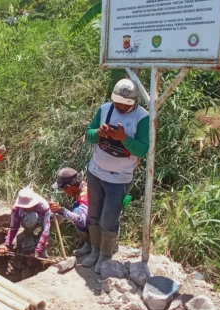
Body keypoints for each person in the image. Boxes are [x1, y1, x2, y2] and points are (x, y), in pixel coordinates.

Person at [82, 78, 149, 273]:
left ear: (133, 102)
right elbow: (89, 134)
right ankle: (95, 251)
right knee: (93, 215)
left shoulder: (142, 118)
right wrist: (99, 133)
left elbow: (143, 150)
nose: (118, 106)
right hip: (96, 172)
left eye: (123, 104)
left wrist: (124, 139)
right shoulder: (105, 109)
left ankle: (105, 256)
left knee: (109, 219)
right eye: (117, 102)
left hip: (119, 178)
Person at [0, 188, 51, 258]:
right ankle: (29, 233)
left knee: (37, 230)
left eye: (30, 206)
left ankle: (36, 234)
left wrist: (37, 251)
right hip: (30, 223)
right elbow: (14, 227)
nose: (28, 208)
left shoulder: (43, 206)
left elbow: (46, 229)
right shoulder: (16, 209)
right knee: (31, 221)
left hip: (42, 223)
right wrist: (6, 244)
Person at [48, 167, 90, 257]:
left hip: (101, 227)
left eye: (63, 189)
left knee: (76, 210)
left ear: (68, 187)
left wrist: (61, 210)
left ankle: (93, 246)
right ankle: (89, 243)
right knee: (76, 206)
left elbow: (81, 220)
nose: (64, 192)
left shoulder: (84, 194)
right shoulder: (83, 186)